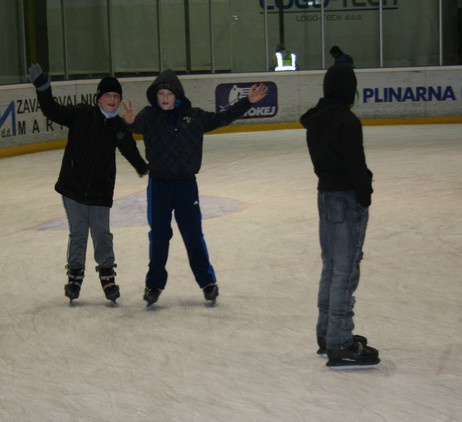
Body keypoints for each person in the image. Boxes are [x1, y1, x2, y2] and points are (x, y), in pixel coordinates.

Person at [121, 69, 268, 306]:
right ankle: (154, 285)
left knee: (193, 235)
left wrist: (247, 102)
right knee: (159, 236)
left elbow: (222, 118)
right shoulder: (150, 115)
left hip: (186, 185)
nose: (165, 98)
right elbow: (135, 125)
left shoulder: (194, 117)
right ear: (155, 96)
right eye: (161, 93)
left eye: (169, 93)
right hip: (159, 185)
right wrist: (129, 122)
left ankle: (207, 282)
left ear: (177, 95)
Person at [27, 64, 149, 305]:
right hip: (73, 187)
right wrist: (43, 89)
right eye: (108, 95)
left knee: (102, 233)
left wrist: (143, 168)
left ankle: (107, 275)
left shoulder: (118, 126)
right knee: (79, 233)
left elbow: (129, 149)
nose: (112, 99)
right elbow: (53, 111)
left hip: (101, 190)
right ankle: (74, 276)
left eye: (116, 96)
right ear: (98, 98)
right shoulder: (82, 114)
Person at [299, 63, 380, 369]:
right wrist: (365, 195)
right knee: (345, 270)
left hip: (326, 197)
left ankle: (327, 333)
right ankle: (340, 341)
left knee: (332, 266)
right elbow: (355, 165)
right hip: (345, 200)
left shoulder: (316, 120)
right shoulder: (347, 121)